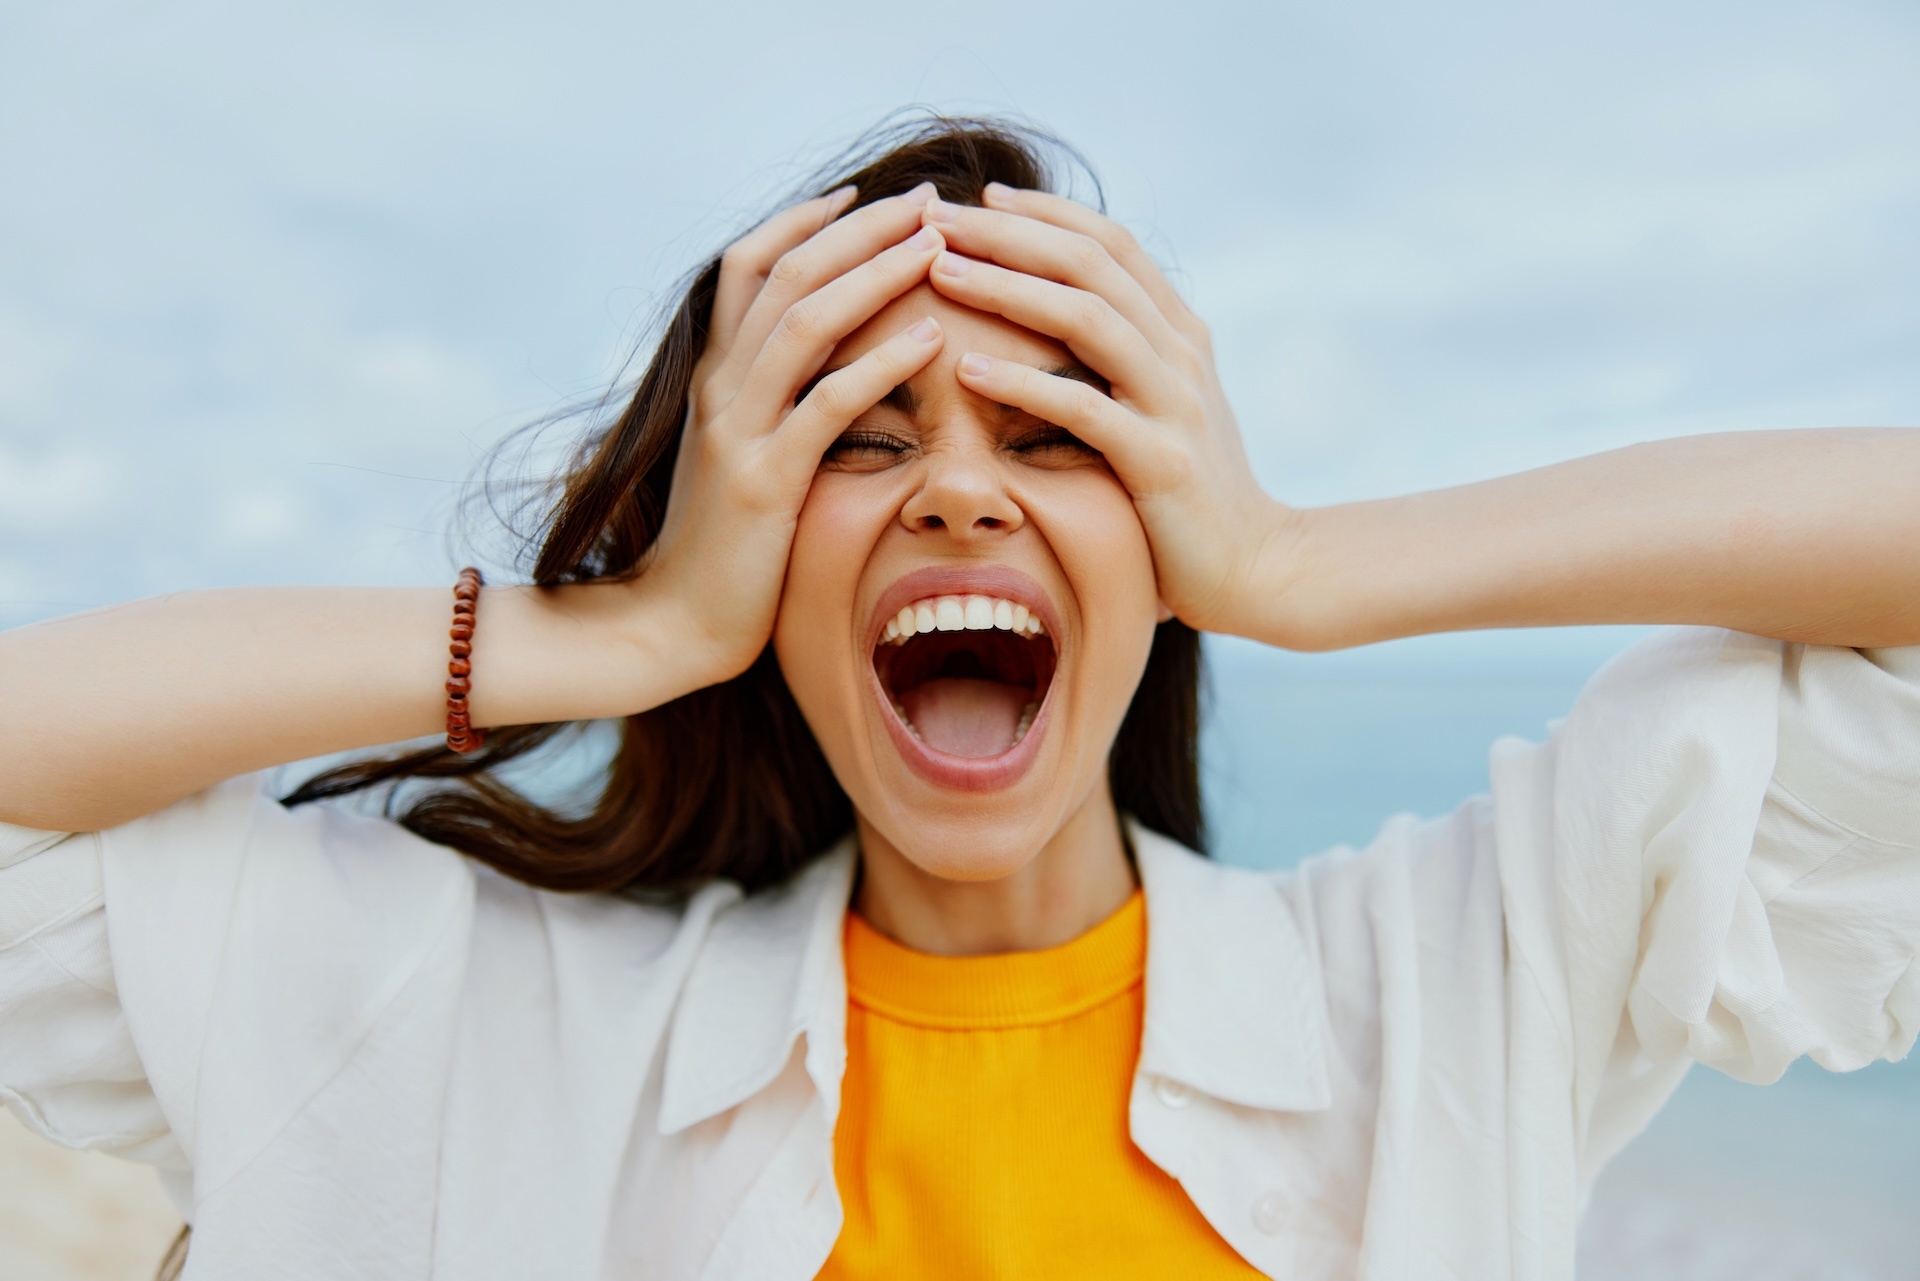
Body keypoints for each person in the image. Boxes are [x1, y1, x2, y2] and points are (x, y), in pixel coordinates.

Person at [0, 115, 1915, 1281]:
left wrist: (1302, 567)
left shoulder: (1449, 979)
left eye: (1053, 427)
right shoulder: (483, 1011)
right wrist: (629, 631)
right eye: (857, 433)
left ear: (1158, 531)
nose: (960, 488)